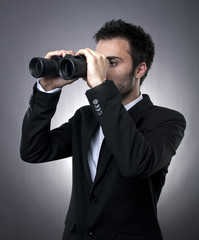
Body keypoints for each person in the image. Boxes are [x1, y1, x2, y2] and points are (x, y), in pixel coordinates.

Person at [20, 19, 186, 240]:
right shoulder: (85, 118)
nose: (101, 71)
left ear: (140, 69)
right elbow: (34, 151)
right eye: (98, 62)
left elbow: (135, 164)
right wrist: (46, 90)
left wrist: (100, 88)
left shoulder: (167, 120)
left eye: (112, 63)